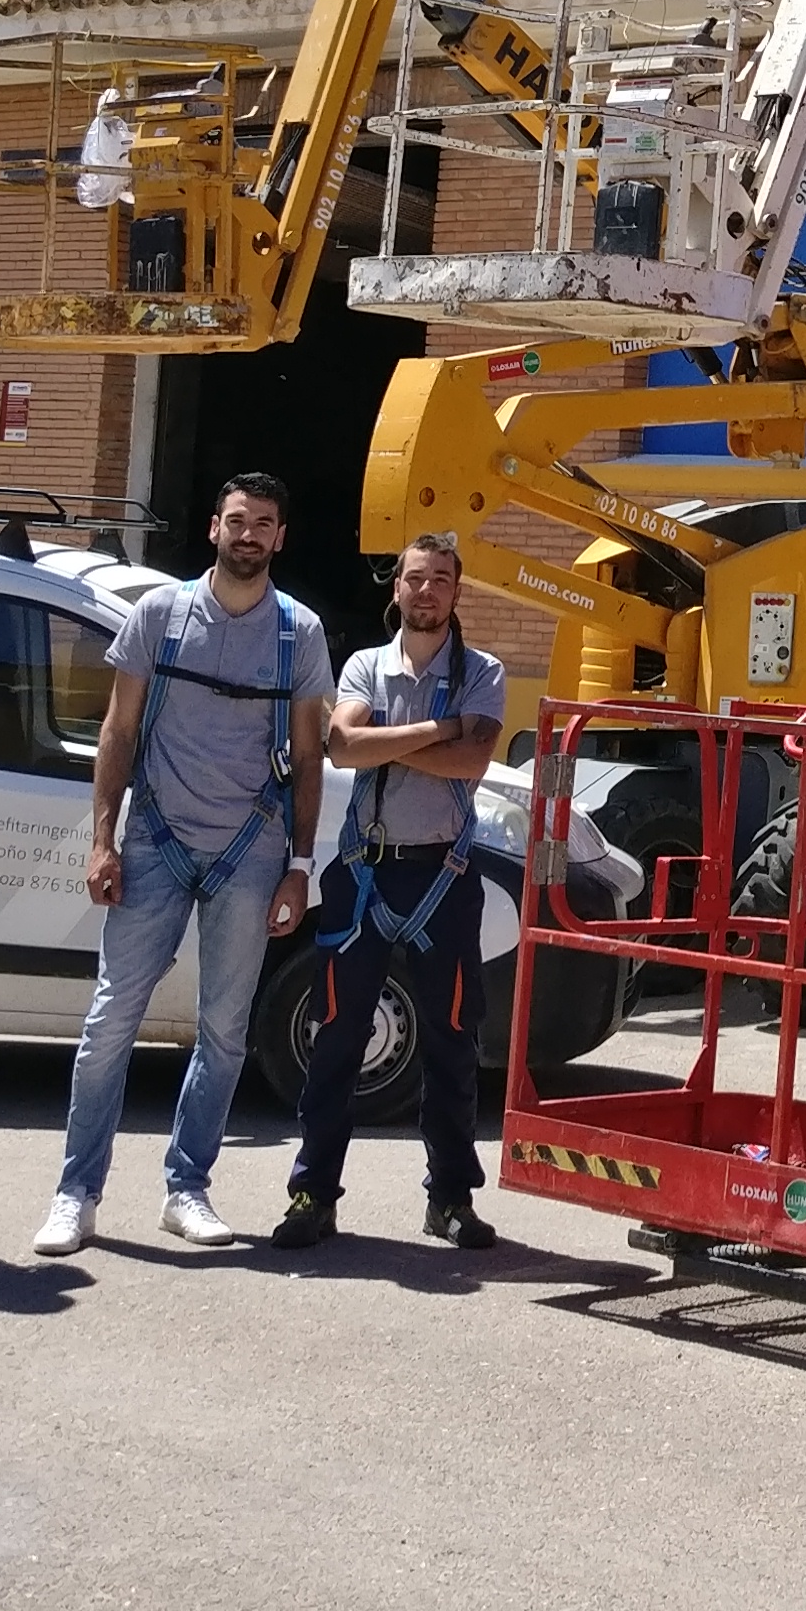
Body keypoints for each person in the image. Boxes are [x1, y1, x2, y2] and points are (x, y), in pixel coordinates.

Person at [34, 473, 331, 1255]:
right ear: (213, 527)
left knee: (225, 1033)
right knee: (110, 1022)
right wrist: (103, 839)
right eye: (236, 520)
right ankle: (75, 1195)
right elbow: (118, 731)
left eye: (262, 523)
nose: (248, 534)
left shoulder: (298, 633)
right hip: (153, 844)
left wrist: (300, 865)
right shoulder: (159, 616)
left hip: (251, 851)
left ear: (280, 537)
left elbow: (307, 757)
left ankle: (187, 1189)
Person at [279, 532, 506, 1252]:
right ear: (397, 587)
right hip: (365, 872)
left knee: (452, 1041)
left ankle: (451, 1198)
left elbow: (471, 762)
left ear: (457, 591)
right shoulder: (364, 666)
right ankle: (313, 1194)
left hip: (444, 876)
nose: (427, 590)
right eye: (415, 577)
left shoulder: (483, 671)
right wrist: (438, 729)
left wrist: (393, 739)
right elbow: (342, 747)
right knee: (337, 1036)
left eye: (441, 578)